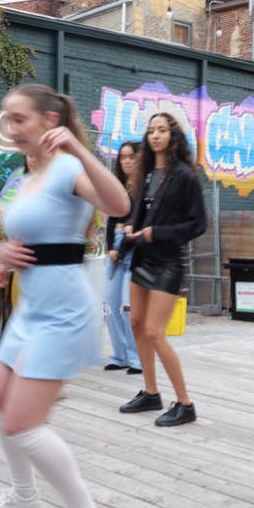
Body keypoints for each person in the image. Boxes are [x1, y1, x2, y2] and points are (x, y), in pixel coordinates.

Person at [0, 84, 131, 508]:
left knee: (23, 421)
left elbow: (119, 205)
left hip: (64, 310)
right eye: (7, 118)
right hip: (32, 308)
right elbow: (37, 237)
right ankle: (24, 497)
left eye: (19, 118)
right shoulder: (31, 175)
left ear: (49, 120)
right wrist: (5, 257)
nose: (10, 127)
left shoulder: (68, 166)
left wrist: (78, 147)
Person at [116, 112, 209, 427]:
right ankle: (151, 393)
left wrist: (159, 233)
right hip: (141, 257)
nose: (155, 135)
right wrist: (131, 227)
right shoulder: (144, 173)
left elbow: (198, 224)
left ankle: (185, 404)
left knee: (155, 331)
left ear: (172, 135)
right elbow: (142, 214)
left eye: (161, 130)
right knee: (137, 324)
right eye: (150, 130)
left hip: (168, 261)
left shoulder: (185, 175)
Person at [102, 142, 143, 375]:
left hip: (134, 250)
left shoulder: (146, 187)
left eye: (131, 157)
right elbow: (111, 219)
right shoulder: (117, 186)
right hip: (115, 248)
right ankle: (119, 355)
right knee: (108, 304)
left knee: (129, 306)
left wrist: (124, 245)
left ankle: (136, 359)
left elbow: (139, 222)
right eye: (123, 158)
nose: (126, 161)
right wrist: (110, 247)